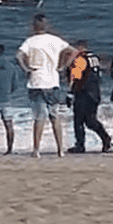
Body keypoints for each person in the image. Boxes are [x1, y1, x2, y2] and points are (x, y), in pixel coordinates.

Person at [17, 13, 76, 158]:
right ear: (46, 25)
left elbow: (18, 55)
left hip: (37, 82)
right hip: (52, 82)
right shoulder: (55, 40)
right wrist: (63, 66)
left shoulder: (30, 41)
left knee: (39, 117)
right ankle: (60, 149)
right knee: (55, 116)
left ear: (34, 26)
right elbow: (73, 51)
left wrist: (26, 69)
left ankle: (36, 150)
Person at [67, 40, 113, 154]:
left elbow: (75, 77)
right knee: (90, 121)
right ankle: (106, 139)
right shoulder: (95, 59)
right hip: (95, 93)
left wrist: (70, 93)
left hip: (83, 93)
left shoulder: (80, 60)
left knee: (79, 121)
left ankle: (80, 145)